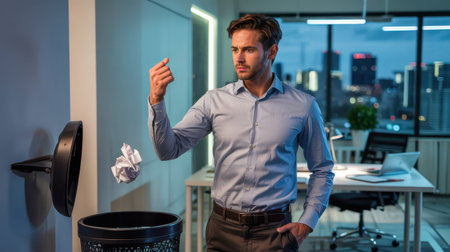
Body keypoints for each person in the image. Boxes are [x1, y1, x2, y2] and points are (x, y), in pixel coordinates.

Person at [148, 14, 334, 252]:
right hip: (222, 229)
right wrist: (157, 100)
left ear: (272, 52)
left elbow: (322, 169)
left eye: (248, 49)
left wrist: (307, 222)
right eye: (235, 49)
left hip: (274, 233)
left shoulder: (303, 106)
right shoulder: (213, 101)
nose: (239, 57)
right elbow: (168, 150)